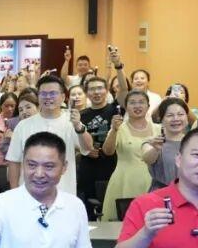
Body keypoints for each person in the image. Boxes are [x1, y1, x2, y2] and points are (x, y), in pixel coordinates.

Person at [6, 76, 94, 196]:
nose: (48, 97)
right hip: (28, 194)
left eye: (53, 93)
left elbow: (88, 147)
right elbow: (14, 162)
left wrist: (78, 126)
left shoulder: (71, 122)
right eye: (43, 94)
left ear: (63, 97)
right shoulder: (23, 126)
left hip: (63, 193)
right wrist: (14, 193)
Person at [102, 90, 158, 220]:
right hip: (124, 182)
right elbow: (108, 151)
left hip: (153, 182)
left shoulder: (159, 129)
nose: (137, 106)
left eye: (141, 102)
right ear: (126, 107)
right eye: (132, 103)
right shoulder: (119, 128)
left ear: (148, 106)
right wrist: (114, 130)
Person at [77, 76, 119, 220]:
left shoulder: (115, 110)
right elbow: (73, 142)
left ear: (107, 90)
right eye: (92, 89)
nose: (96, 92)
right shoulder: (81, 116)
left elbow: (125, 90)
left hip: (111, 166)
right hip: (88, 169)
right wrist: (84, 150)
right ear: (86, 93)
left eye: (100, 88)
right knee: (89, 212)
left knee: (109, 210)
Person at [142, 98, 191, 191]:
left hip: (190, 193)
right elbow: (147, 159)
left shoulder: (194, 142)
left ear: (187, 117)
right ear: (161, 119)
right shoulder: (153, 142)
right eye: (170, 115)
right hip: (161, 193)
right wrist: (156, 149)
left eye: (180, 114)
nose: (176, 119)